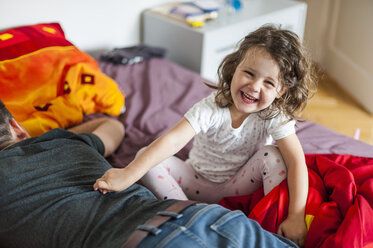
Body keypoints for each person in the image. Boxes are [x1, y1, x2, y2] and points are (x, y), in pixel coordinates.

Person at [94, 25, 317, 247]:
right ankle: (191, 215)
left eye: (269, 83)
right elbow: (173, 140)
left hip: (240, 186)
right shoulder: (212, 107)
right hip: (194, 183)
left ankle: (266, 233)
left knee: (274, 156)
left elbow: (296, 160)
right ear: (235, 66)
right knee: (145, 157)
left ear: (281, 91)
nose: (254, 87)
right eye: (249, 73)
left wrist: (296, 215)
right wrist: (128, 174)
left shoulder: (274, 114)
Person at [0, 99, 298, 248]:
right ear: (16, 127)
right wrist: (47, 137)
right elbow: (112, 126)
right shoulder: (65, 142)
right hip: (204, 217)